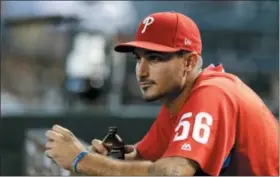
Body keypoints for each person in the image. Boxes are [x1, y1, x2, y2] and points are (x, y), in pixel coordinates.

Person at [45, 11, 279, 176]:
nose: (141, 71)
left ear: (189, 62)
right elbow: (143, 157)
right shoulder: (179, 100)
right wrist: (109, 156)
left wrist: (82, 161)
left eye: (155, 58)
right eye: (139, 58)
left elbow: (172, 172)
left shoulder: (213, 93)